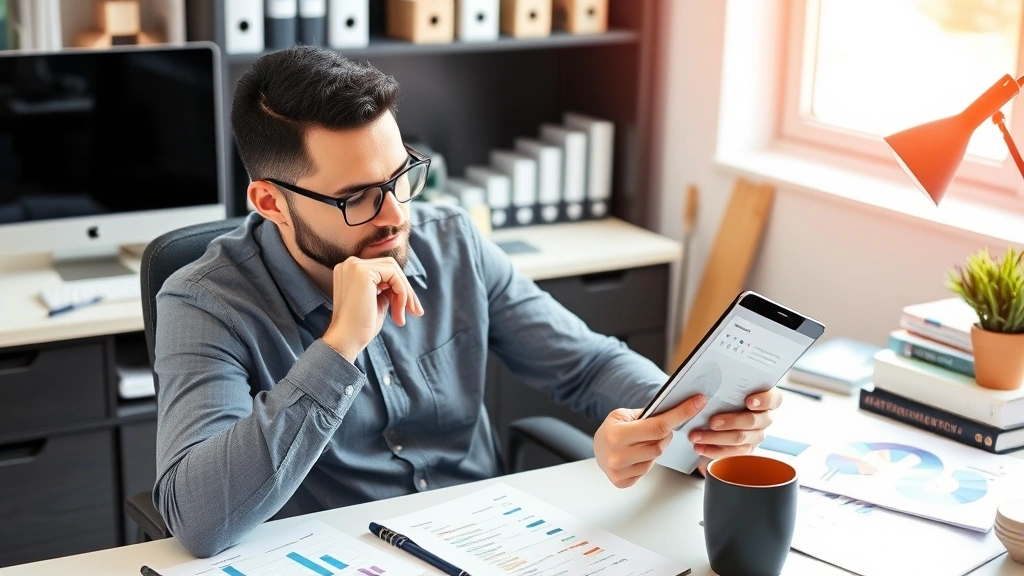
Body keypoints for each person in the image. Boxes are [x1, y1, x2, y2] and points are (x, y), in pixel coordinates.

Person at [152, 46, 782, 558]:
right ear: (269, 203)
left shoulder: (450, 240)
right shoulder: (205, 302)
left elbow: (587, 365)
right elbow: (200, 519)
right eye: (357, 198)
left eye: (402, 177)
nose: (397, 216)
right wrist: (337, 348)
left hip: (488, 543)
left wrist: (684, 424)